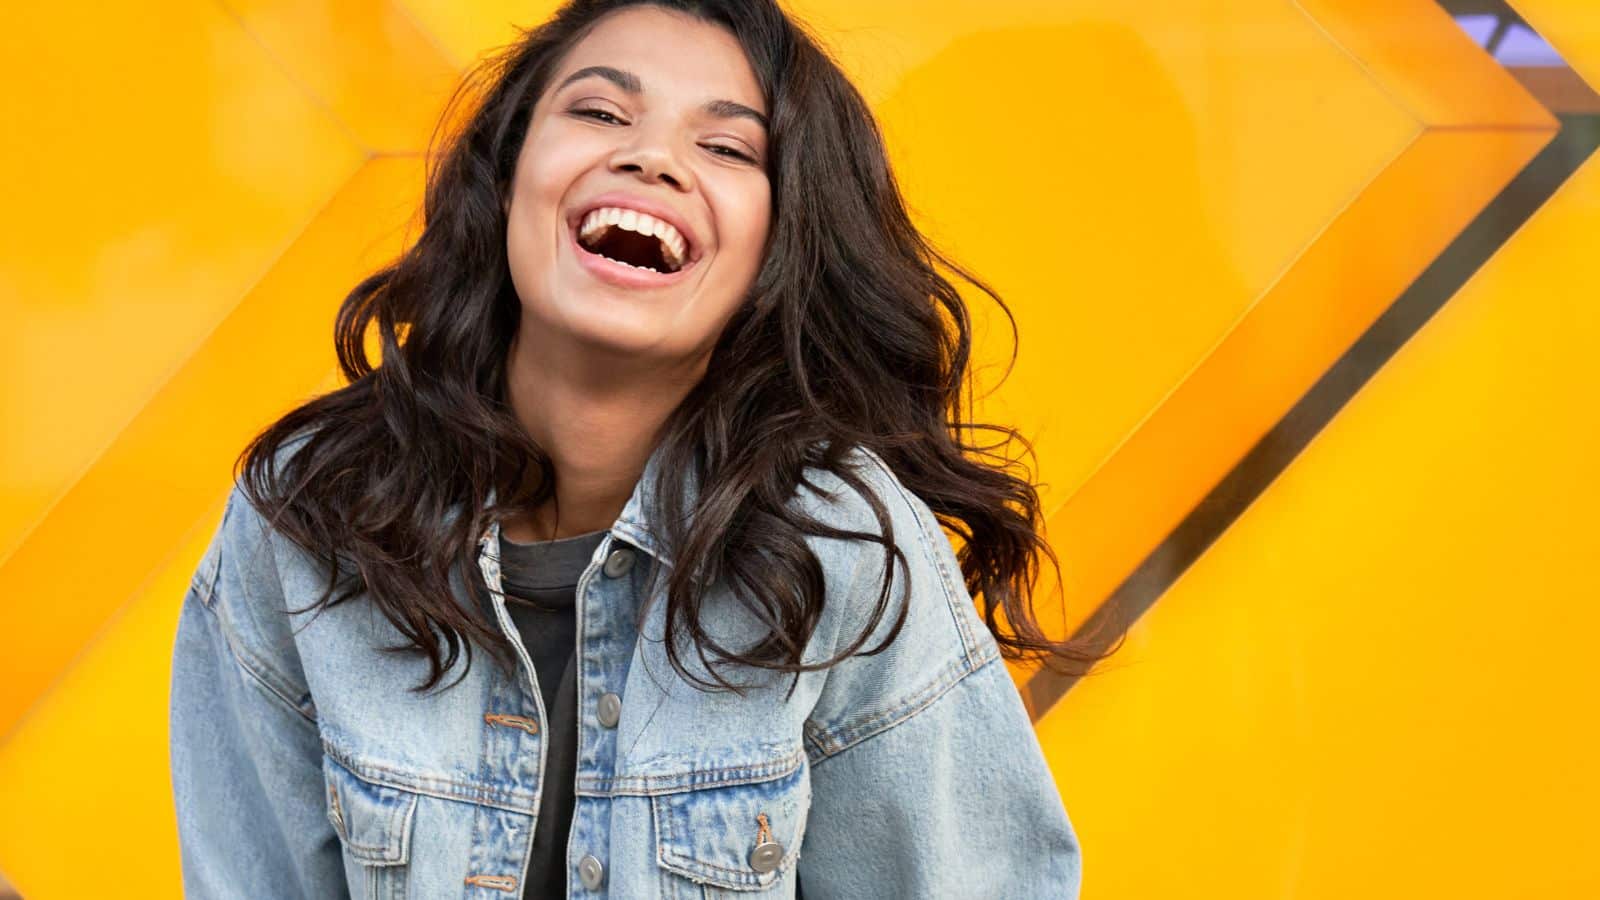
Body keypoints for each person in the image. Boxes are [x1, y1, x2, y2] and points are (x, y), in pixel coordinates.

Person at [168, 1, 1113, 897]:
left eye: (727, 147)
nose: (651, 158)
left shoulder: (843, 548)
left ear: (778, 245)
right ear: (509, 173)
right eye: (599, 112)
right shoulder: (307, 516)